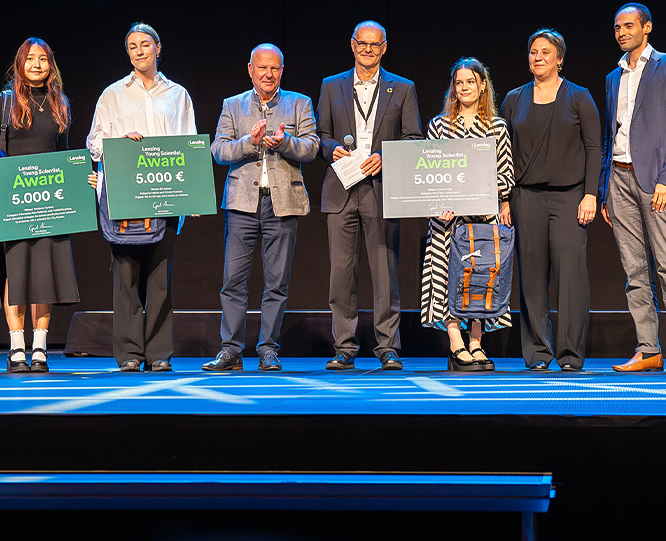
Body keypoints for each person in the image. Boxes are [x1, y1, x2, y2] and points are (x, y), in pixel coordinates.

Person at [87, 22, 196, 372]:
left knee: (160, 278)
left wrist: (190, 195)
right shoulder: (113, 94)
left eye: (145, 44)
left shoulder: (177, 94)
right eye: (132, 46)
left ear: (158, 48)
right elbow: (94, 141)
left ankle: (159, 353)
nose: (139, 51)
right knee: (126, 277)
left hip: (163, 194)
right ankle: (130, 354)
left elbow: (188, 141)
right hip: (124, 195)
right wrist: (120, 144)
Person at [202, 44, 319, 373]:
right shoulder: (233, 105)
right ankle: (231, 350)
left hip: (282, 204)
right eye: (262, 68)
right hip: (242, 205)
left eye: (275, 68)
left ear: (282, 71)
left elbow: (311, 148)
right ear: (250, 69)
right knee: (233, 280)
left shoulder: (299, 103)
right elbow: (218, 150)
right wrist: (248, 143)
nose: (268, 74)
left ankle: (268, 349)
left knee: (276, 282)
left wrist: (284, 143)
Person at [316, 20, 422, 371]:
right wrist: (332, 149)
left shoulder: (403, 88)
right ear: (352, 45)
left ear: (384, 47)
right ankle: (344, 346)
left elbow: (413, 138)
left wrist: (386, 157)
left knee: (385, 272)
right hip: (341, 189)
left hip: (381, 188)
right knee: (341, 273)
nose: (367, 50)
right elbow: (321, 135)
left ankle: (388, 346)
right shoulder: (331, 86)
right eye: (362, 43)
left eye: (374, 45)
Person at [501, 29, 601, 371]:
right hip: (525, 197)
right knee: (531, 276)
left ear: (559, 58)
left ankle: (570, 355)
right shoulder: (514, 99)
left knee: (571, 275)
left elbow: (593, 149)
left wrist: (591, 194)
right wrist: (503, 200)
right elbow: (503, 153)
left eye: (545, 52)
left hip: (570, 196)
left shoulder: (579, 97)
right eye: (532, 52)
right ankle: (538, 353)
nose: (538, 57)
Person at [3, 37, 96, 373]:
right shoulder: (6, 102)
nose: (37, 64)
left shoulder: (61, 104)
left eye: (43, 59)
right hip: (17, 200)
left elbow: (67, 156)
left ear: (50, 65)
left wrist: (82, 180)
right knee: (17, 272)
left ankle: (39, 348)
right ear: (20, 63)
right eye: (31, 59)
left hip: (51, 202)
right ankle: (16, 349)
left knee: (44, 273)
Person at [421, 58, 514, 371]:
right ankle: (455, 344)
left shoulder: (496, 127)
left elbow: (506, 174)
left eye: (470, 82)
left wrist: (484, 192)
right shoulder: (439, 126)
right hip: (446, 221)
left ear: (482, 85)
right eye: (459, 83)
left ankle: (476, 343)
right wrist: (439, 202)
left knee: (478, 278)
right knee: (446, 278)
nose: (464, 88)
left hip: (481, 220)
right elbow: (428, 170)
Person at [600, 3, 666, 372]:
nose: (622, 32)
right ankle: (649, 349)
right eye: (617, 27)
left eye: (628, 25)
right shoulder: (614, 76)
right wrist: (605, 184)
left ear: (647, 27)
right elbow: (612, 134)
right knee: (635, 270)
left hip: (655, 178)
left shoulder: (663, 67)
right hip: (620, 177)